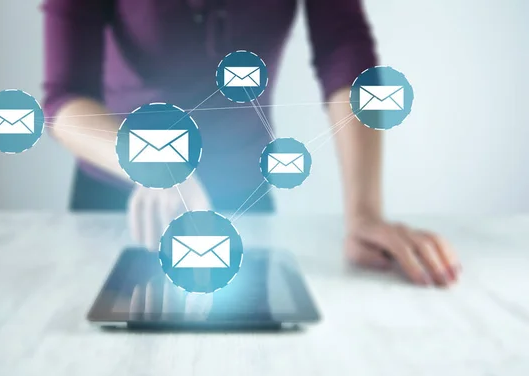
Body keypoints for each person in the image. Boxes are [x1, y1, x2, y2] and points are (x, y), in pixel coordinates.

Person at [42, 0, 461, 291]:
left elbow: (344, 51)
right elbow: (63, 97)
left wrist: (365, 213)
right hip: (117, 203)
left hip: (245, 202)